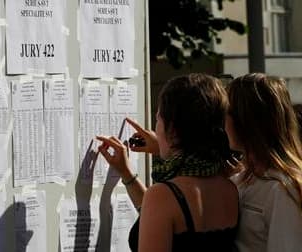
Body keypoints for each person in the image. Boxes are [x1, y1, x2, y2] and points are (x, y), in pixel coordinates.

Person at [96, 73, 239, 252]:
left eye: (157, 119)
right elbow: (166, 213)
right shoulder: (230, 188)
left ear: (172, 128)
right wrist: (126, 173)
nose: (155, 128)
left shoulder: (163, 196)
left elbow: (165, 206)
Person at [225, 73, 302, 252]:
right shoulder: (241, 179)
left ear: (245, 120)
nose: (223, 121)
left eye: (227, 112)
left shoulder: (283, 189)